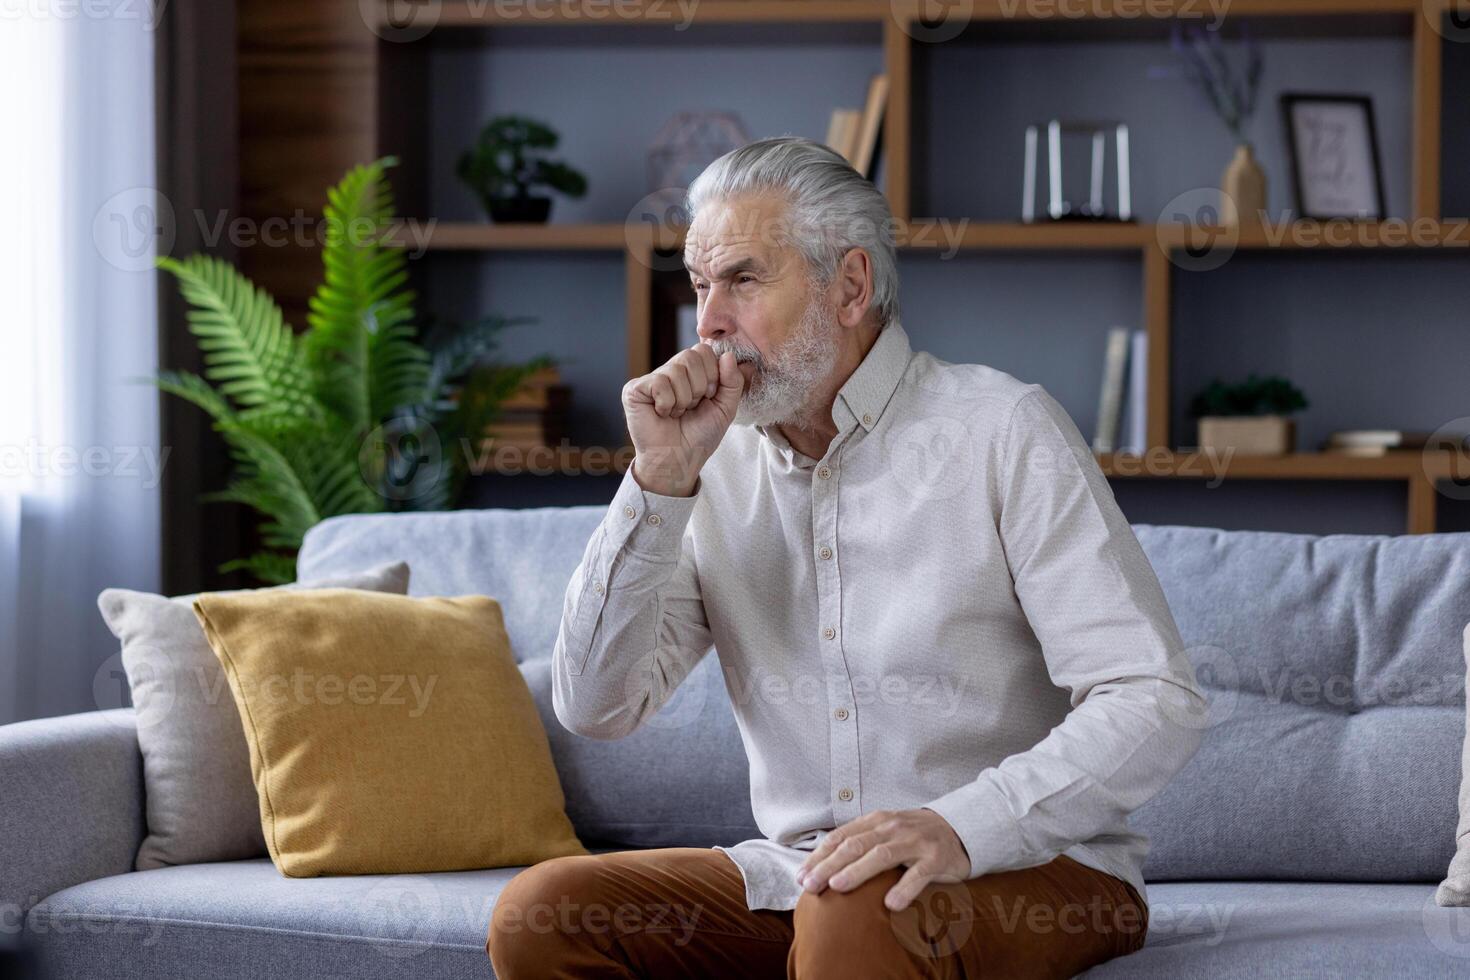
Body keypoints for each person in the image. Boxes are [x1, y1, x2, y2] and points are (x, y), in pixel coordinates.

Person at [487, 136, 1207, 979]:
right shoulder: (706, 466)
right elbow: (595, 706)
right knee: (544, 915)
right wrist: (656, 483)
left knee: (855, 915)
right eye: (699, 285)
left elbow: (1154, 696)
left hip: (1031, 868)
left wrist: (961, 826)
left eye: (744, 280)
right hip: (808, 878)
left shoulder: (1002, 429)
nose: (708, 322)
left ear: (850, 286)